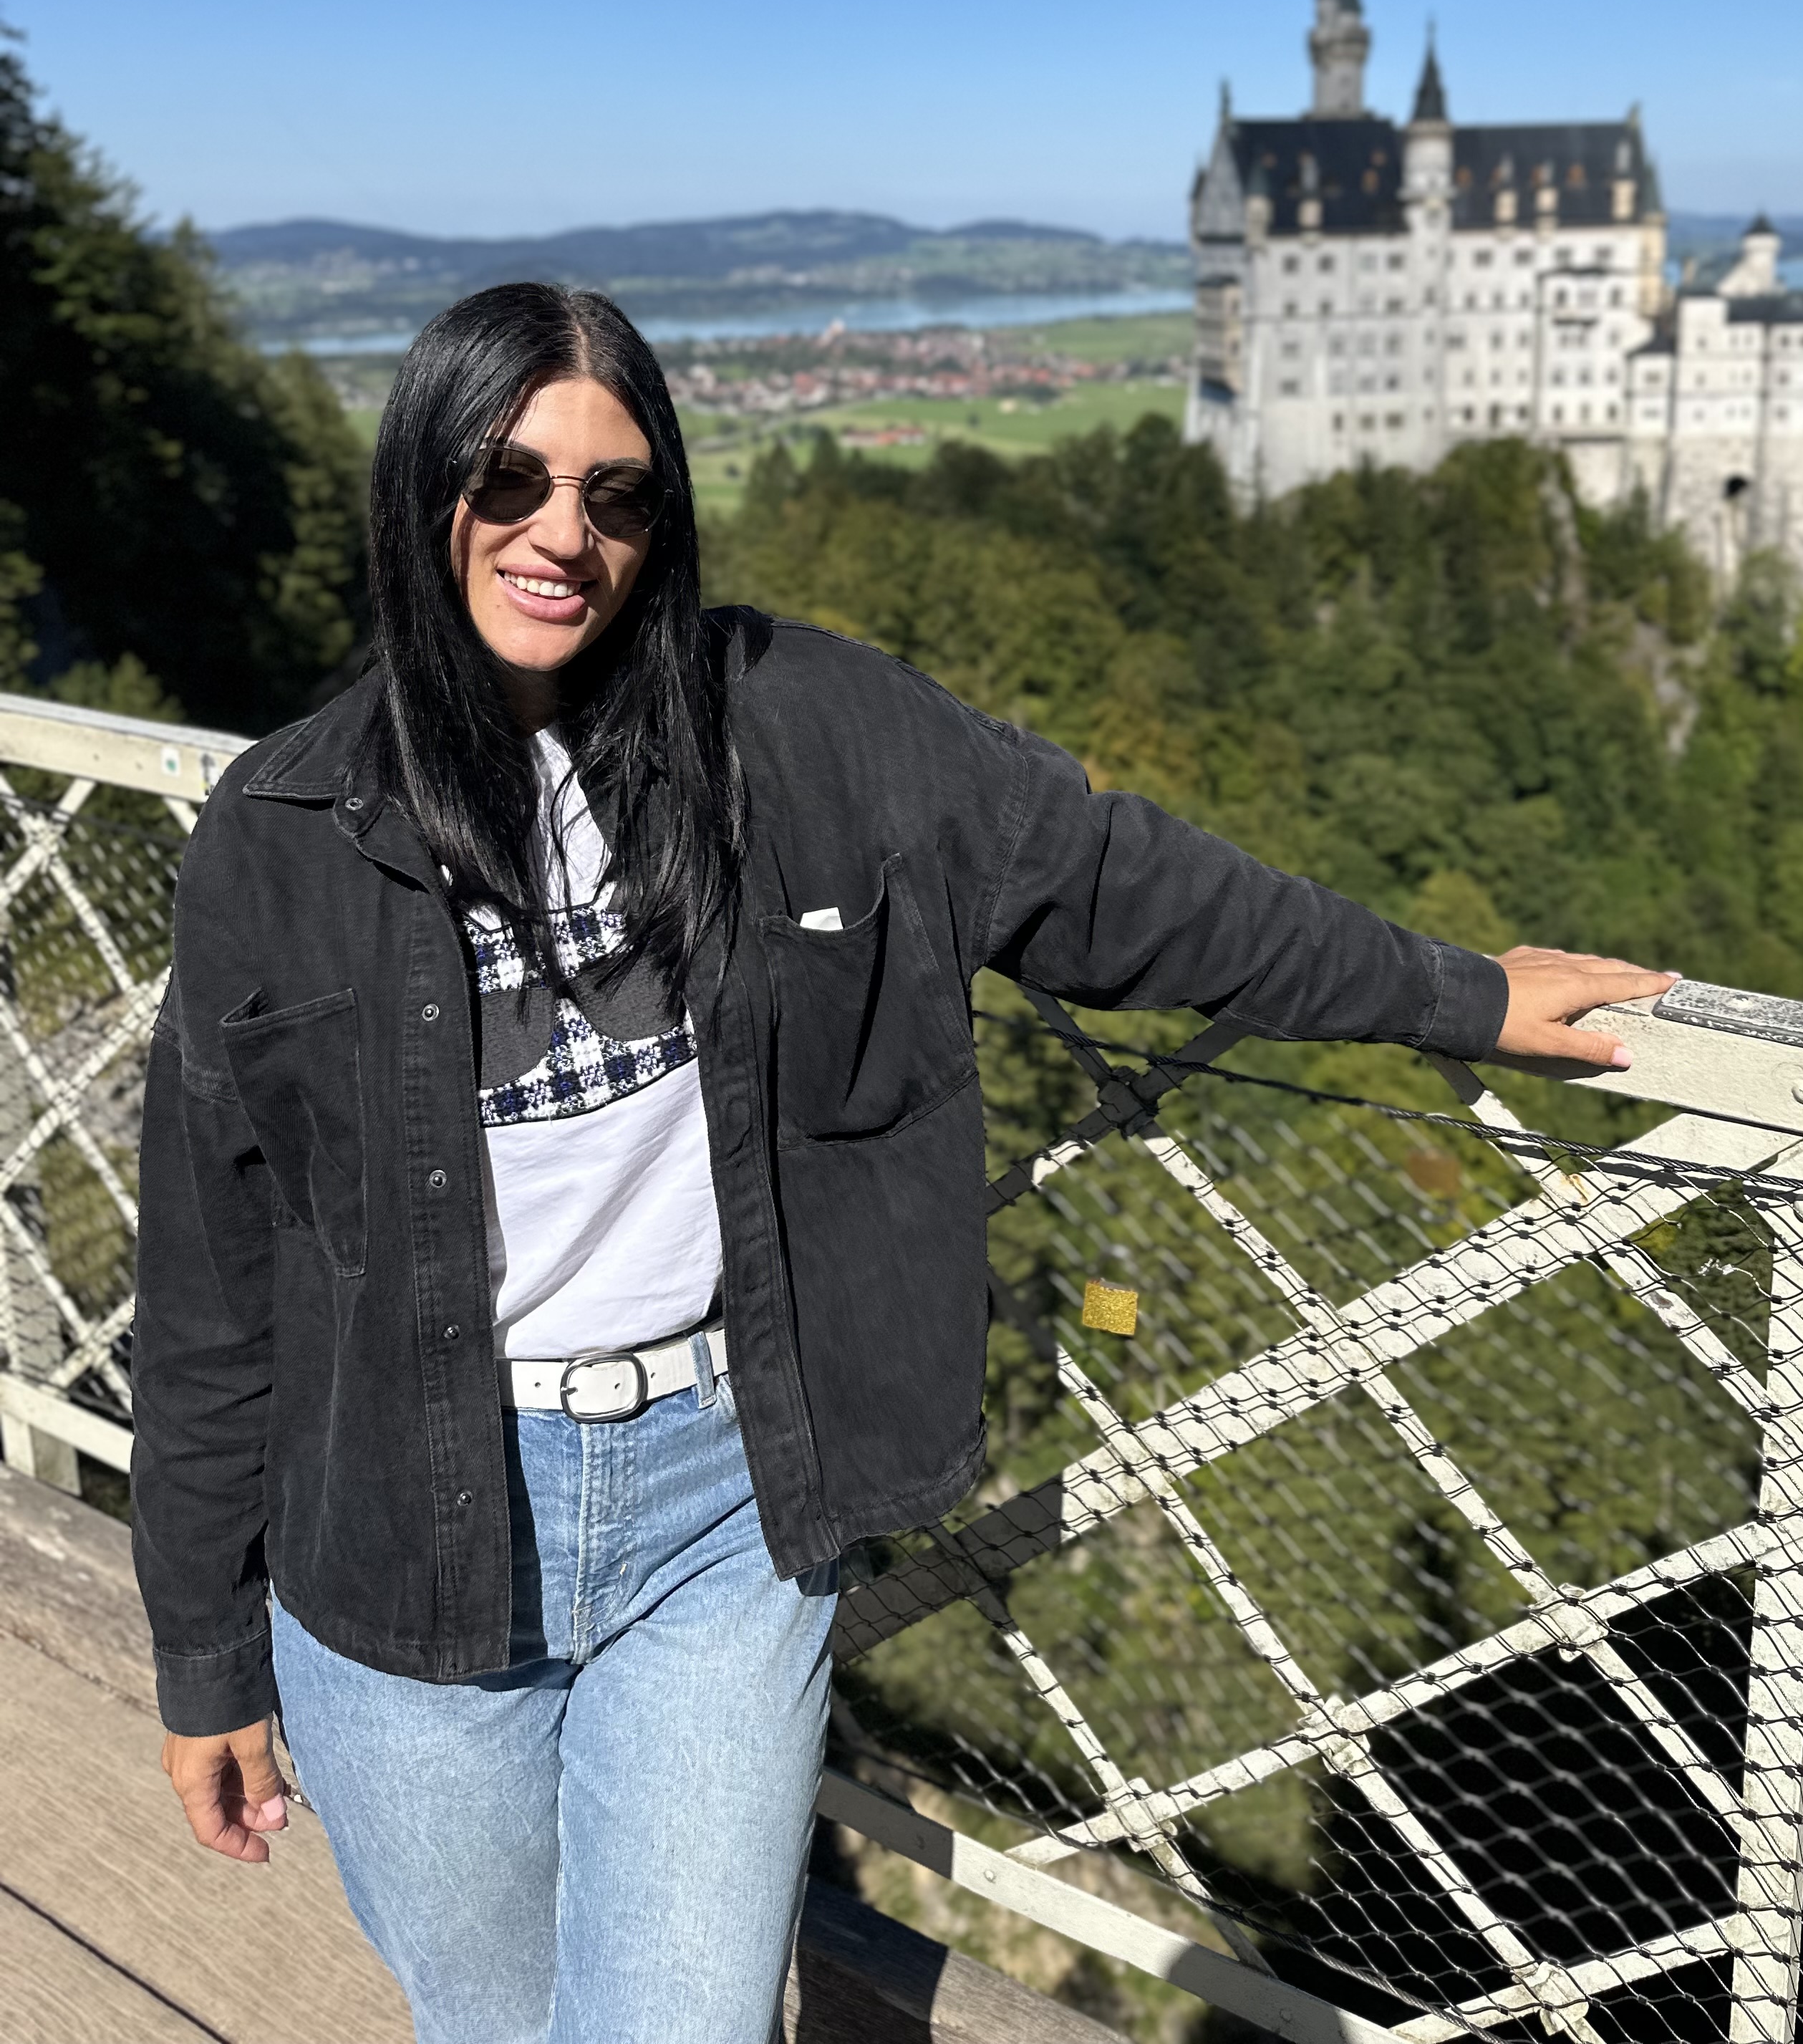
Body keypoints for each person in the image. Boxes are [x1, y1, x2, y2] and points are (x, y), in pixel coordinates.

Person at [133, 281, 1674, 2044]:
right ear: (424, 491)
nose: (564, 534)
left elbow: (1116, 883)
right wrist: (205, 1654)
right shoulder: (278, 836)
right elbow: (211, 1282)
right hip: (401, 1536)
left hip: (719, 1511)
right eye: (509, 481)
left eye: (617, 494)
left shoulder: (805, 727)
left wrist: (1455, 994)